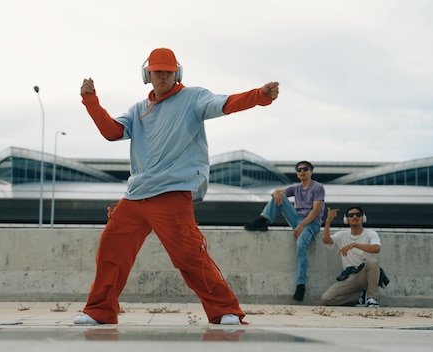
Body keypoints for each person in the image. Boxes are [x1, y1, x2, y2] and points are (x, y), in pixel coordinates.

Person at [73, 47, 279, 326]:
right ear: (147, 74)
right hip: (136, 197)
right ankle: (99, 311)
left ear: (177, 73)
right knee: (111, 250)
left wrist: (260, 95)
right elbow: (111, 132)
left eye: (168, 72)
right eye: (158, 72)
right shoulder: (138, 110)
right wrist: (91, 101)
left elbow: (226, 103)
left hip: (172, 194)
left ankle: (225, 310)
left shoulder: (193, 98)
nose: (163, 76)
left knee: (189, 257)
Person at [244, 161, 324, 302]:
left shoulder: (317, 187)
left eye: (305, 169)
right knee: (279, 197)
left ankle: (301, 285)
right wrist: (275, 192)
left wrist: (301, 226)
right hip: (297, 219)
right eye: (299, 170)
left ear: (311, 171)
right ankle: (263, 220)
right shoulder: (296, 188)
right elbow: (278, 192)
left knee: (301, 246)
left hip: (311, 222)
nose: (302, 171)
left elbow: (316, 210)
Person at [320, 206, 384, 307]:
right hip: (350, 277)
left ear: (363, 218)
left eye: (358, 215)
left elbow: (376, 248)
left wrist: (355, 245)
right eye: (351, 215)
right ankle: (359, 296)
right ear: (346, 219)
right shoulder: (342, 235)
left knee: (372, 262)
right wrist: (328, 221)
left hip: (365, 275)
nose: (355, 217)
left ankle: (372, 298)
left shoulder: (370, 233)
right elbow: (326, 240)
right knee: (326, 299)